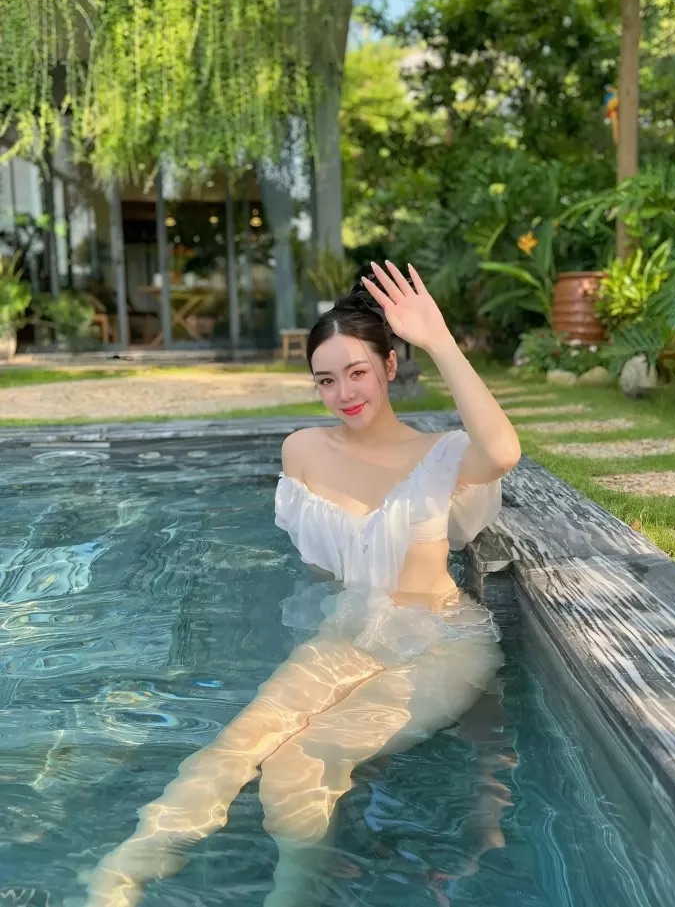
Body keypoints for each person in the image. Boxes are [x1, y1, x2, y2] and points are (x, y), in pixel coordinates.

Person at [80, 261, 521, 907]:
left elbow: (504, 450)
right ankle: (114, 880)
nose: (344, 392)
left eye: (358, 372)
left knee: (301, 761)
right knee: (232, 748)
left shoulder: (442, 453)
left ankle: (291, 893)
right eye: (326, 379)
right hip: (349, 632)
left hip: (438, 640)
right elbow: (325, 574)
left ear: (390, 366)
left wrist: (438, 339)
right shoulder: (304, 451)